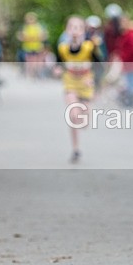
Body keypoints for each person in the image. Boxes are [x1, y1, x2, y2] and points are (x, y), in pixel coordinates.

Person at [57, 16, 102, 163]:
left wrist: (94, 81)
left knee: (83, 120)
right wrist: (57, 69)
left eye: (78, 28)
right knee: (73, 115)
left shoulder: (89, 47)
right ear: (67, 30)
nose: (74, 31)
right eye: (71, 27)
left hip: (86, 83)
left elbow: (99, 66)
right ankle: (75, 149)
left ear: (83, 31)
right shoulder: (63, 48)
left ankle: (85, 117)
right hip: (70, 82)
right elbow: (59, 64)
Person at [17, 12, 48, 79]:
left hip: (37, 47)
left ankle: (36, 74)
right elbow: (21, 37)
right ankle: (30, 75)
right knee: (29, 61)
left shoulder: (38, 27)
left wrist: (32, 38)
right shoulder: (25, 27)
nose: (30, 21)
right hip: (27, 48)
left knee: (37, 61)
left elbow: (43, 36)